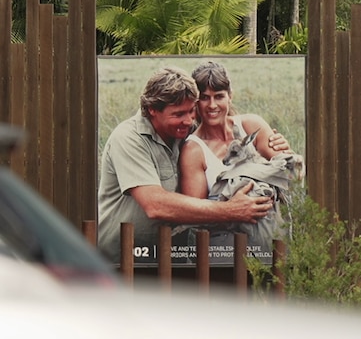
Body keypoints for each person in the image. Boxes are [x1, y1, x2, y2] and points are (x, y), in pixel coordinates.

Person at [97, 67, 280, 264]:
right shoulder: (128, 138)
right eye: (178, 114)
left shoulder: (184, 132)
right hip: (122, 259)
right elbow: (155, 205)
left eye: (191, 111)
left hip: (169, 259)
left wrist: (275, 143)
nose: (188, 120)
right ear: (152, 110)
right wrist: (230, 210)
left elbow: (223, 126)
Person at [178, 61, 303, 257]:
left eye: (219, 96)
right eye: (204, 98)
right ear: (195, 102)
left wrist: (287, 153)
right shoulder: (193, 150)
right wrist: (232, 209)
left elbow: (292, 173)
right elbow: (195, 213)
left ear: (230, 96)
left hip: (271, 236)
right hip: (226, 246)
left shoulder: (251, 125)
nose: (212, 105)